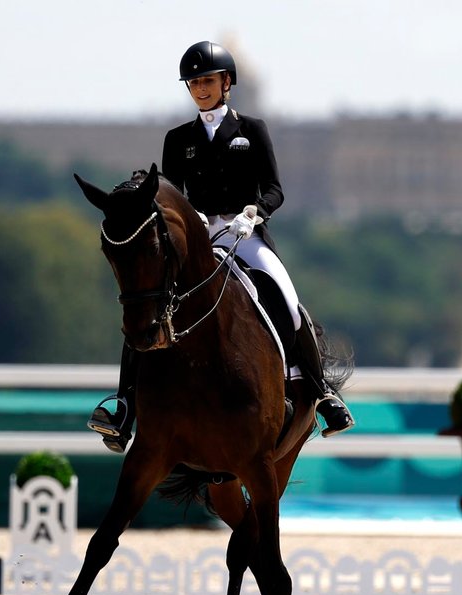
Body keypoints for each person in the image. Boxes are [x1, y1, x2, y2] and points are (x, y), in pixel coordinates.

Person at [87, 40, 354, 452]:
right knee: (148, 303)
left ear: (226, 83)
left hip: (245, 231)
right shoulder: (178, 138)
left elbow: (275, 189)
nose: (200, 89)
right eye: (194, 83)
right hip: (195, 237)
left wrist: (255, 212)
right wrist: (187, 220)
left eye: (207, 81)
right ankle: (124, 407)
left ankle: (321, 394)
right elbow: (170, 193)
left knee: (287, 298)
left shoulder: (252, 130)